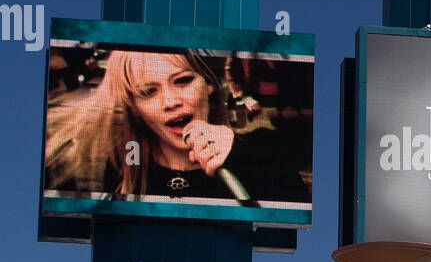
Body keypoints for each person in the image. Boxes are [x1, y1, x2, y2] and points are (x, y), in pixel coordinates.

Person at [44, 49, 309, 206]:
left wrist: (242, 157)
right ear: (134, 106)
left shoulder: (264, 150)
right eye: (148, 92)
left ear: (207, 84)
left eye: (182, 81)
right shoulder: (109, 170)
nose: (171, 102)